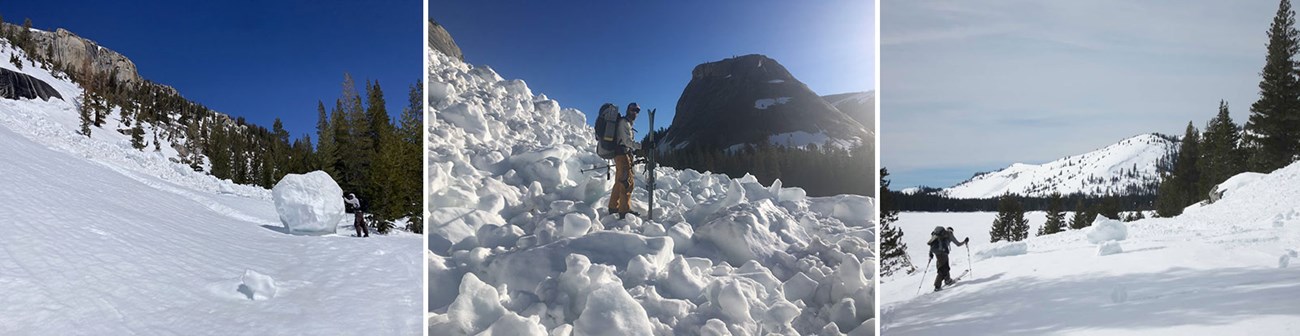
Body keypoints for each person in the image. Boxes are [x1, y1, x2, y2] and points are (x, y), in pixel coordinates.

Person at [607, 102, 642, 219]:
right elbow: (627, 142)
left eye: (637, 111)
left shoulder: (626, 123)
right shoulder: (624, 123)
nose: (635, 112)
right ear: (628, 110)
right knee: (627, 183)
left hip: (620, 154)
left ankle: (613, 207)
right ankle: (624, 210)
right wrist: (642, 146)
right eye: (633, 110)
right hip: (622, 154)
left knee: (619, 181)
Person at [927, 226, 968, 291]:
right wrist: (965, 241)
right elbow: (958, 244)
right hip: (943, 253)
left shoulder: (936, 234)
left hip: (936, 252)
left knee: (943, 265)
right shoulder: (949, 234)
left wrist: (930, 253)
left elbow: (932, 243)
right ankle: (937, 285)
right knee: (943, 268)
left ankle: (947, 279)